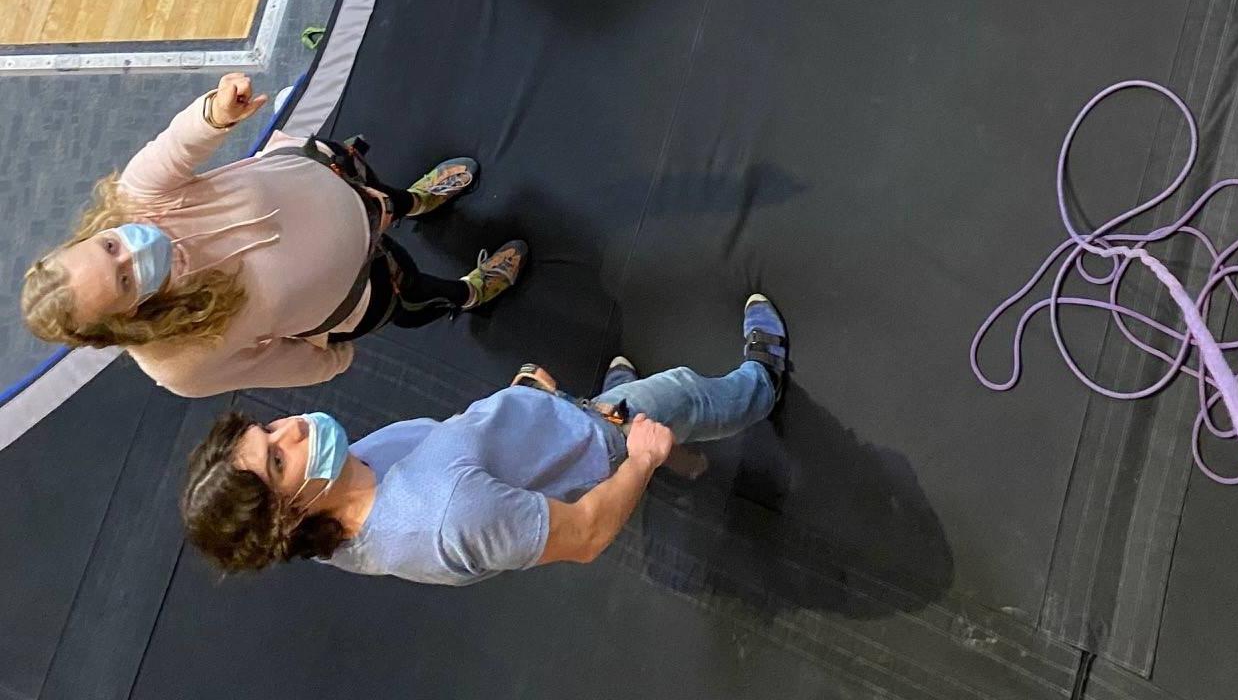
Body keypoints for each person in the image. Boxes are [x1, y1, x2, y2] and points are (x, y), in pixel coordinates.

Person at [180, 294, 790, 578]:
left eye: (268, 430)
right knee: (681, 394)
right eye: (279, 461)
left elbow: (459, 450)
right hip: (600, 446)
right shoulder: (448, 514)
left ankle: (637, 426)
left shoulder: (334, 519)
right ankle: (762, 382)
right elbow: (586, 536)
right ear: (290, 515)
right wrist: (639, 459)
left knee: (638, 409)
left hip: (554, 421)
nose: (292, 429)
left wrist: (522, 406)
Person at [20, 73, 527, 396]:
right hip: (360, 295)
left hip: (338, 185)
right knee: (421, 294)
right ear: (125, 323)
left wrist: (215, 116)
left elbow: (175, 146)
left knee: (386, 197)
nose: (132, 251)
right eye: (126, 280)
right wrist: (336, 354)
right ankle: (471, 292)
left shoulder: (136, 198)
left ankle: (417, 201)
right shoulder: (179, 361)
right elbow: (283, 365)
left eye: (110, 246)